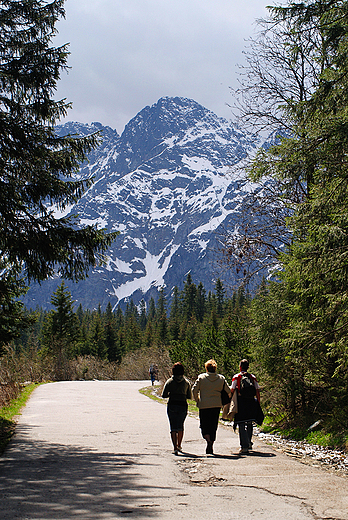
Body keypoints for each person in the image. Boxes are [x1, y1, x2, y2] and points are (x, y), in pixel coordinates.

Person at [192, 359, 231, 455]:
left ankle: (207, 439)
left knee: (204, 425)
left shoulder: (201, 378)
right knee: (213, 425)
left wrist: (198, 400)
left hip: (204, 405)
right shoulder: (221, 378)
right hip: (216, 405)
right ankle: (211, 442)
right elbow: (228, 391)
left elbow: (194, 390)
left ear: (206, 368)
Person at [161, 362, 193, 455]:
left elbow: (164, 395)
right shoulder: (186, 382)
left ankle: (174, 447)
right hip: (182, 405)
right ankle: (179, 445)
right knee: (181, 426)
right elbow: (189, 396)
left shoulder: (170, 382)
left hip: (172, 404)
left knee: (173, 427)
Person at [231, 359, 260, 454]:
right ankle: (249, 442)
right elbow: (257, 390)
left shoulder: (237, 377)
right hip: (251, 401)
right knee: (249, 422)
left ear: (240, 367)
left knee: (241, 423)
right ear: (248, 367)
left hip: (241, 401)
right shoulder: (252, 377)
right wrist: (258, 403)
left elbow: (232, 390)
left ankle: (244, 446)